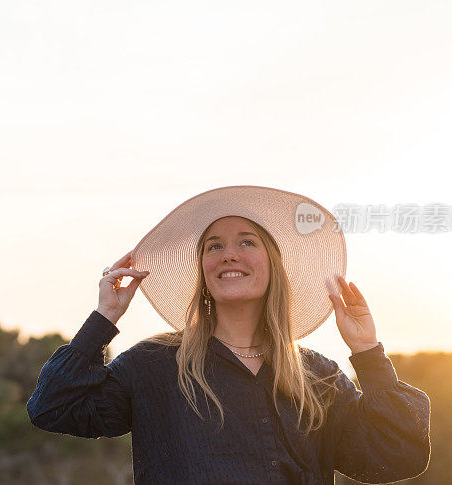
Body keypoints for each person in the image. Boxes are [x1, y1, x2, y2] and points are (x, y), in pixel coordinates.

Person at [27, 186, 431, 484]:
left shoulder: (316, 377)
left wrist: (366, 351)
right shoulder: (154, 365)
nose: (229, 254)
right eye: (214, 246)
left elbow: (398, 454)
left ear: (272, 264)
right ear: (203, 270)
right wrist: (104, 317)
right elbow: (51, 407)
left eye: (246, 242)